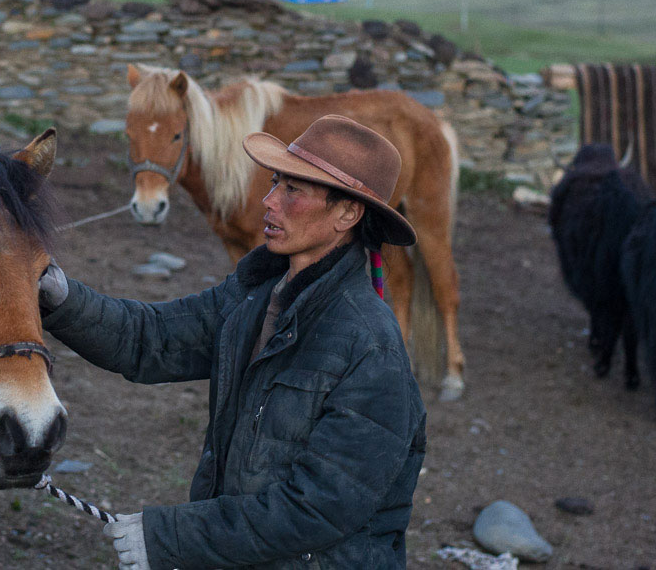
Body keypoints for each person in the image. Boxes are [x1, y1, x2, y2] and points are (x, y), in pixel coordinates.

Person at [38, 114, 427, 569]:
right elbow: (152, 339)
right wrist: (60, 297)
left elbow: (318, 507)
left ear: (346, 213)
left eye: (293, 190)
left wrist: (173, 538)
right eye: (276, 181)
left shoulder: (371, 346)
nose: (268, 200)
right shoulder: (256, 297)